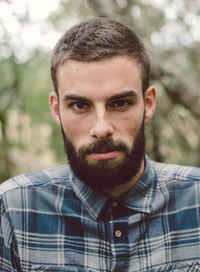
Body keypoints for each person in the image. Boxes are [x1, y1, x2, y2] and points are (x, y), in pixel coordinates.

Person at [0, 18, 200, 272]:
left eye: (120, 103)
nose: (101, 128)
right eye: (80, 106)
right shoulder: (14, 210)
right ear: (56, 109)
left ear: (148, 103)